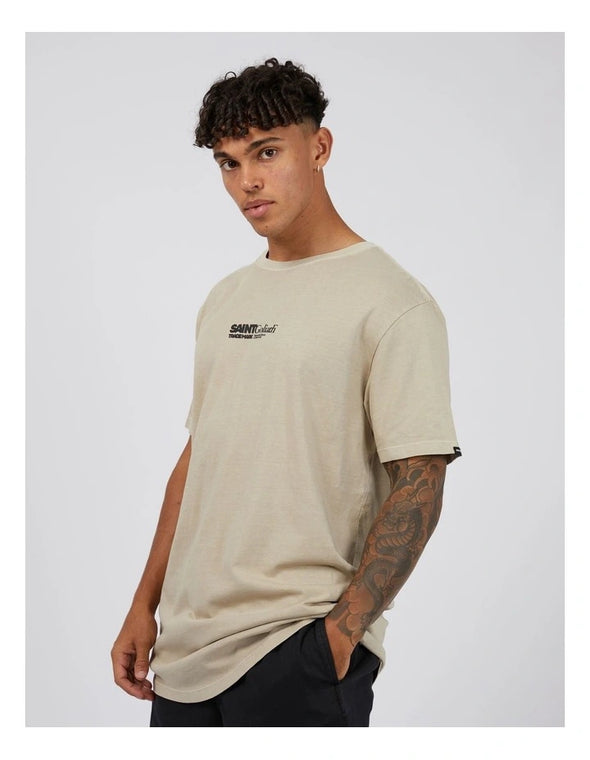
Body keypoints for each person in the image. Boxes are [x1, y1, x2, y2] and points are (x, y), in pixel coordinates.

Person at [111, 57, 461, 727]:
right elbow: (199, 458)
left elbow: (421, 477)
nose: (247, 180)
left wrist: (339, 637)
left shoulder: (393, 302)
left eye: (266, 152)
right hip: (183, 655)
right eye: (228, 162)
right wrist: (143, 603)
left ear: (319, 147)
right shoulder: (226, 298)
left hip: (296, 650)